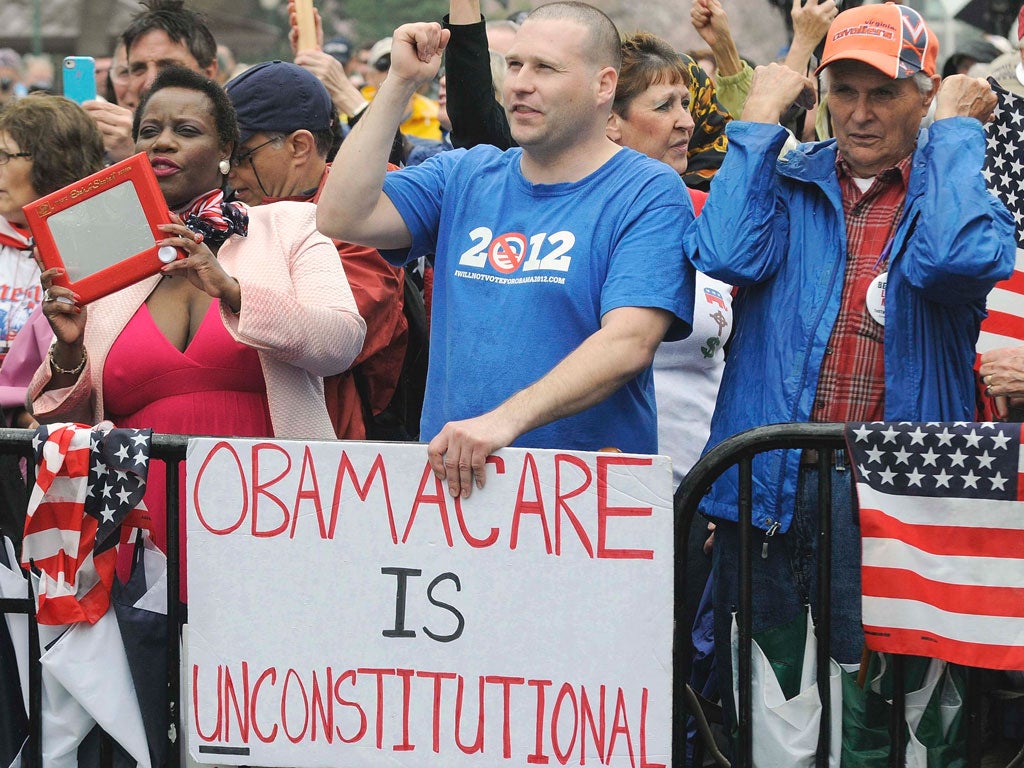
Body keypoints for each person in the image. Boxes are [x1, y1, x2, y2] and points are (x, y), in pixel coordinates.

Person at [684, 1, 1016, 734]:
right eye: (844, 90)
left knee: (889, 720)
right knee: (771, 707)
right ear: (822, 92)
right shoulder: (789, 175)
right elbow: (725, 255)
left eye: (885, 92)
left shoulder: (960, 192)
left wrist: (957, 135)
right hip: (770, 486)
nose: (860, 113)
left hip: (900, 500)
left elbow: (954, 259)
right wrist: (759, 122)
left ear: (925, 95)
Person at [317, 3, 694, 498]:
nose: (519, 83)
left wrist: (502, 423)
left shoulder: (648, 190)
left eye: (545, 68)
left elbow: (628, 342)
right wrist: (400, 85)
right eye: (514, 65)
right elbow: (340, 216)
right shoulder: (466, 173)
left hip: (586, 500)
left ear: (604, 85)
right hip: (457, 488)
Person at [28, 66, 366, 592]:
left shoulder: (290, 227)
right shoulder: (99, 254)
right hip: (137, 526)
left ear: (226, 148)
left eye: (187, 130)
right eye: (149, 130)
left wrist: (233, 291)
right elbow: (67, 424)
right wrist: (69, 352)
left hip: (274, 513)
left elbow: (341, 344)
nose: (164, 140)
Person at [225, 60, 410, 440]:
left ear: (299, 146)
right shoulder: (221, 214)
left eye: (242, 156)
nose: (228, 173)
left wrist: (228, 293)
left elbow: (336, 342)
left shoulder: (371, 205)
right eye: (221, 158)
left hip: (330, 452)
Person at [442, 0, 730, 190]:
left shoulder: (722, 204)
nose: (686, 122)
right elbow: (474, 117)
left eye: (687, 104)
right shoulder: (558, 179)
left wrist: (726, 53)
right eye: (663, 106)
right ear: (609, 118)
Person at [83, 0, 219, 163]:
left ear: (209, 72)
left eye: (168, 66)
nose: (149, 83)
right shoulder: (105, 152)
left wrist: (134, 158)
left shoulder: (242, 149)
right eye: (138, 69)